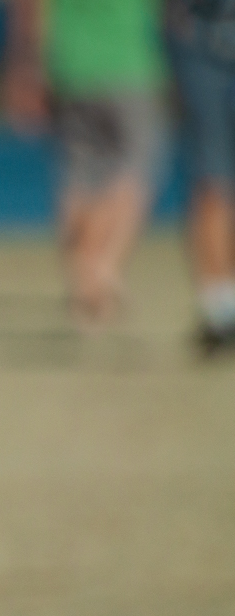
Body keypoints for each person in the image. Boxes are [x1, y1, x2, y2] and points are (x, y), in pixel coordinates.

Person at [5, 0, 168, 330]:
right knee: (140, 166)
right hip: (130, 66)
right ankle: (104, 264)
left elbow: (31, 13)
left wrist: (26, 69)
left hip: (69, 67)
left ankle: (82, 276)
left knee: (78, 175)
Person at [166, 0, 235, 353]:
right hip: (200, 42)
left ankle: (220, 306)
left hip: (199, 36)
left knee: (216, 177)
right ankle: (218, 306)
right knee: (215, 176)